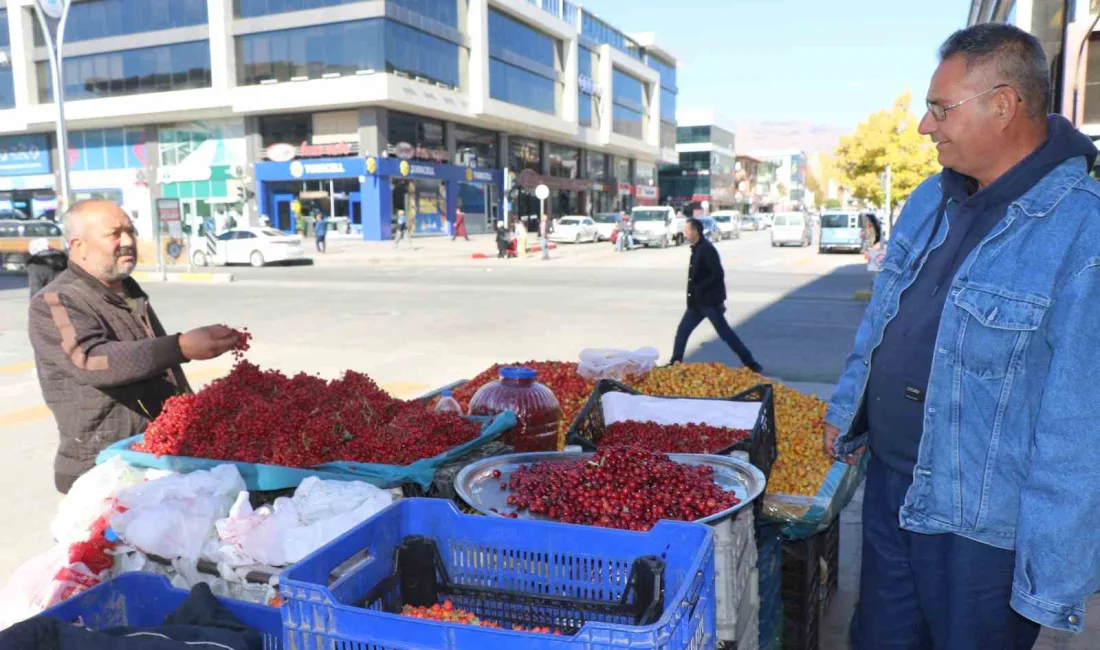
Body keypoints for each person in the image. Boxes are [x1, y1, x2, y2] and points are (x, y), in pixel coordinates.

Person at [824, 24, 1100, 649]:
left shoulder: (1083, 232)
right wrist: (850, 404)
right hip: (892, 488)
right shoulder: (930, 198)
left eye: (940, 109)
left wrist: (1050, 575)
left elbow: (1081, 429)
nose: (926, 126)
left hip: (981, 530)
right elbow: (884, 316)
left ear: (1003, 106)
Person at [27, 200, 240, 494]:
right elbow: (91, 360)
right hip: (102, 469)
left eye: (131, 232)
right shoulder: (55, 301)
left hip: (153, 455)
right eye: (114, 234)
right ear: (79, 245)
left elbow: (162, 371)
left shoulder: (130, 293)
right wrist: (180, 347)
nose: (127, 242)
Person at [669, 218, 762, 372]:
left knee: (726, 334)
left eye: (686, 231)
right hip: (696, 304)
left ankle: (751, 364)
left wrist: (702, 290)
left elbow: (717, 274)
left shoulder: (706, 249)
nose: (684, 234)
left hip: (709, 302)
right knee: (682, 331)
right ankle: (675, 363)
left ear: (695, 232)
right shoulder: (696, 248)